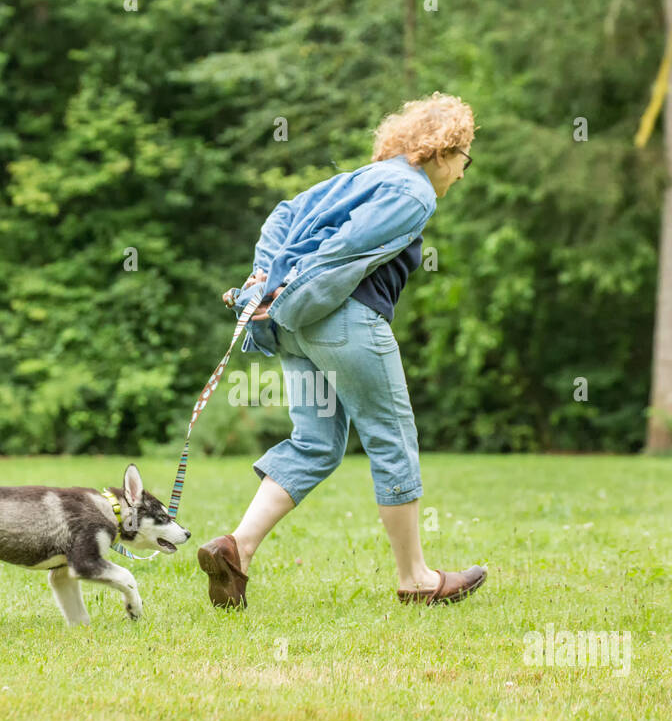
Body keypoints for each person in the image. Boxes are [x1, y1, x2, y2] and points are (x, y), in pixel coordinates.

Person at [197, 92, 486, 609]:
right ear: (443, 150)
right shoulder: (413, 192)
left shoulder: (356, 179)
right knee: (392, 437)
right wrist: (283, 295)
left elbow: (283, 215)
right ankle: (415, 577)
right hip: (340, 324)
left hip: (296, 331)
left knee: (315, 443)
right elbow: (343, 251)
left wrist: (264, 281)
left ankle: (237, 549)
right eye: (464, 160)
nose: (462, 175)